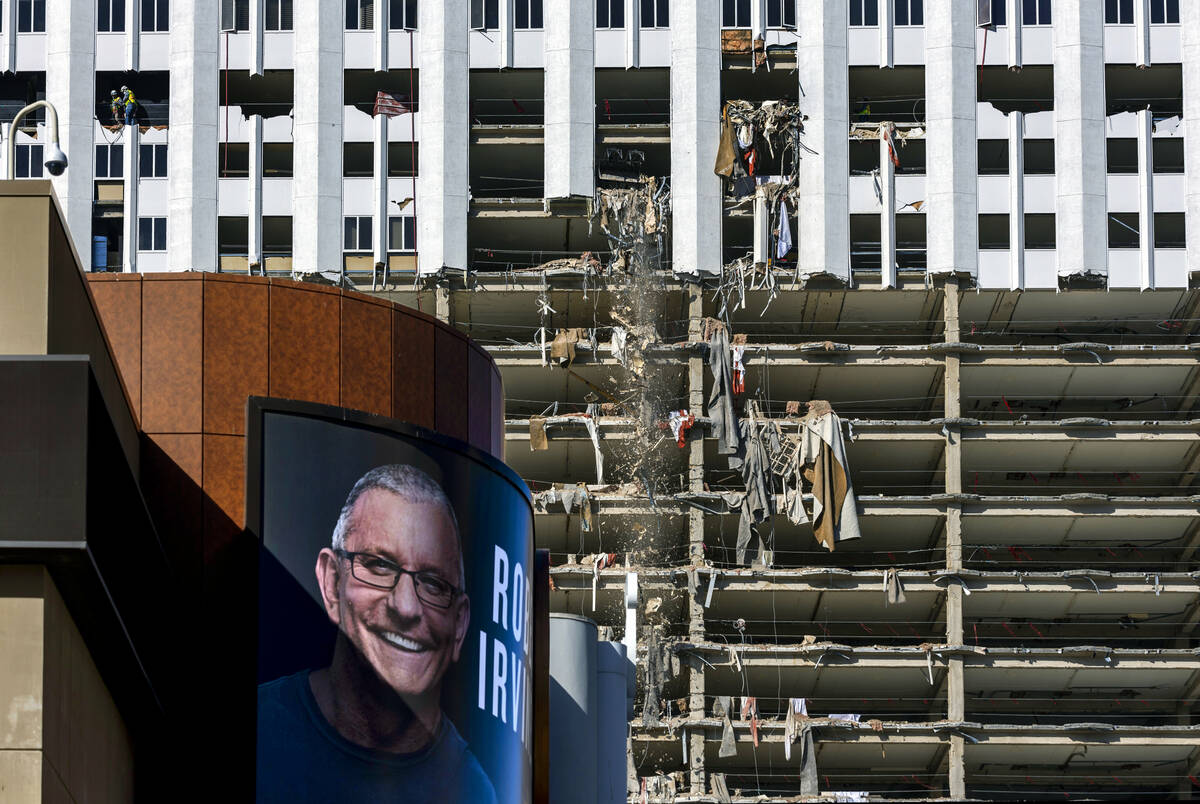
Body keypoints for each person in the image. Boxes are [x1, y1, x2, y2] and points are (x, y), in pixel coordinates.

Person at [256, 465, 496, 804]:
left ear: (459, 625)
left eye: (433, 583)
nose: (407, 607)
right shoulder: (257, 732)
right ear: (332, 584)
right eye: (379, 565)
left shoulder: (476, 793)